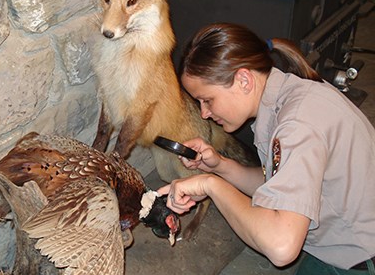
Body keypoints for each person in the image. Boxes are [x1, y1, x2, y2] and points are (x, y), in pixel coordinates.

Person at [157, 23, 375, 274]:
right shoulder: (288, 96)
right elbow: (275, 184)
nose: (204, 113)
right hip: (342, 240)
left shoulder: (296, 126)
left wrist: (210, 185)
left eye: (208, 100)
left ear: (244, 80)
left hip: (359, 257)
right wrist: (219, 166)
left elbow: (281, 247)